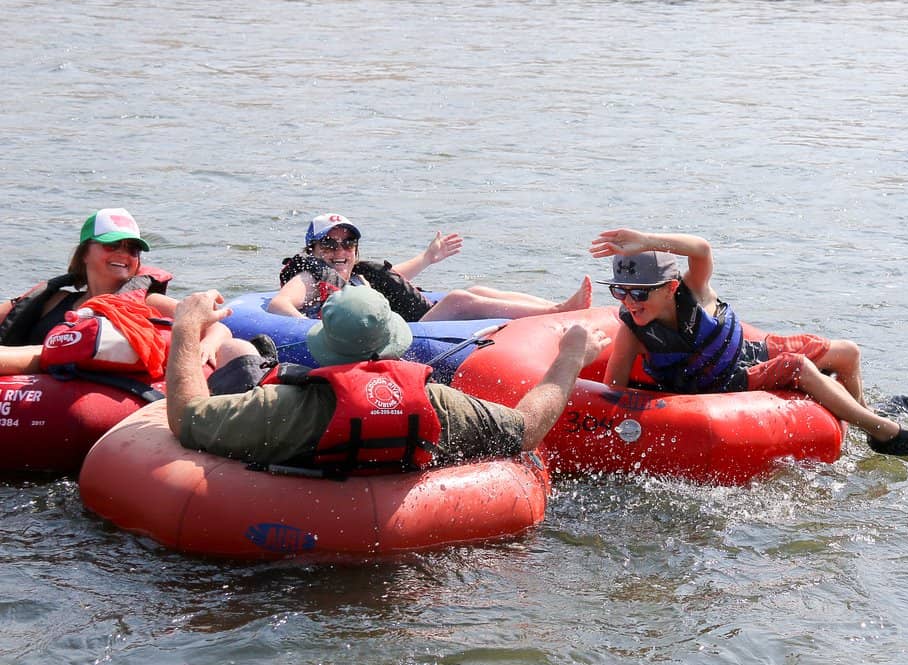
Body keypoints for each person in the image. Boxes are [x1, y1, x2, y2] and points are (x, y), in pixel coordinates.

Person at [590, 228, 908, 457]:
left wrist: (651, 242)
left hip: (742, 354)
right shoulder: (633, 331)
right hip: (721, 384)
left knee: (848, 353)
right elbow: (612, 392)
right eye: (620, 291)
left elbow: (700, 249)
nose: (629, 300)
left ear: (671, 288)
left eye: (639, 292)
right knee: (796, 366)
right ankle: (886, 434)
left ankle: (862, 415)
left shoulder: (696, 291)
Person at [167, 285, 610, 470]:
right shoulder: (439, 403)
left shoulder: (281, 407)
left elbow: (187, 418)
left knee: (240, 353)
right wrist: (570, 357)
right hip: (414, 558)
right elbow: (528, 430)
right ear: (394, 342)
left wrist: (187, 326)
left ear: (321, 345)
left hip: (299, 556)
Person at [0, 208, 261, 387]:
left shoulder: (147, 302)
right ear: (84, 253)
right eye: (111, 245)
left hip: (93, 383)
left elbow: (217, 325)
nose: (123, 255)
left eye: (132, 249)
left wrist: (208, 345)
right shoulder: (54, 300)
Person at [268, 213, 592, 323]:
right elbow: (279, 304)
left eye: (347, 244)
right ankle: (555, 311)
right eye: (329, 245)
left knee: (478, 291)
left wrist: (427, 259)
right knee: (458, 299)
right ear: (312, 249)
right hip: (413, 331)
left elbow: (393, 279)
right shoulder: (309, 275)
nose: (339, 251)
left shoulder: (352, 275)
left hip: (416, 318)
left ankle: (561, 310)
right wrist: (311, 329)